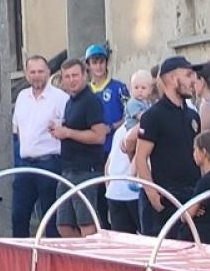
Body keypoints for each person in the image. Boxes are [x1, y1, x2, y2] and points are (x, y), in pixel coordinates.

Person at [134, 56, 201, 237]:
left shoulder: (193, 116)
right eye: (188, 75)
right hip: (166, 196)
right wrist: (152, 192)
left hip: (190, 195)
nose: (193, 80)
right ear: (172, 79)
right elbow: (140, 157)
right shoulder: (154, 116)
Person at [9, 55, 68, 238]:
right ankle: (21, 262)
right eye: (32, 72)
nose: (36, 76)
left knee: (50, 218)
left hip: (50, 163)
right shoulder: (21, 97)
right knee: (19, 215)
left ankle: (51, 263)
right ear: (26, 74)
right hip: (25, 164)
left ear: (48, 72)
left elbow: (66, 130)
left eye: (40, 71)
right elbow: (17, 129)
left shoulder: (61, 98)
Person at [50, 58, 108, 238]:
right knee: (63, 224)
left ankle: (93, 262)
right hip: (67, 170)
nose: (71, 80)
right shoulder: (70, 102)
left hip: (86, 170)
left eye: (75, 75)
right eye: (67, 76)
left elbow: (99, 136)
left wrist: (67, 132)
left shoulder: (91, 101)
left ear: (85, 75)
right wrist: (58, 130)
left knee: (87, 223)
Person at [104, 70, 153, 233]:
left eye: (143, 87)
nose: (139, 91)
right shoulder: (134, 125)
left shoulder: (122, 130)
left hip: (119, 191)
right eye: (136, 87)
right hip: (127, 193)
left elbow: (108, 164)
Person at [87, 43, 130, 159]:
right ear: (88, 65)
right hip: (91, 150)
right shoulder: (85, 91)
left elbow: (129, 116)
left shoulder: (119, 88)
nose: (99, 66)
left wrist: (111, 127)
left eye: (101, 62)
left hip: (115, 147)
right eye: (94, 63)